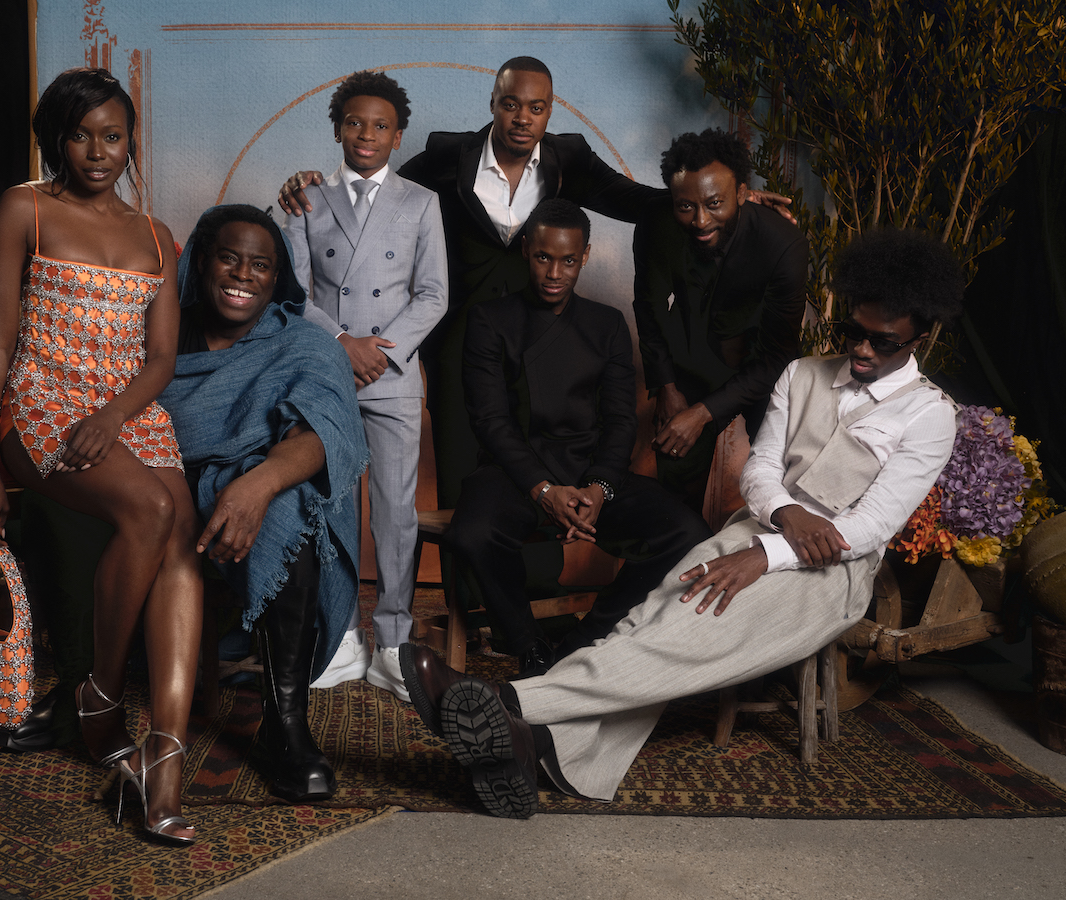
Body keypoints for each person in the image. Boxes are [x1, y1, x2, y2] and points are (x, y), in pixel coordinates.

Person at [400, 228, 963, 818]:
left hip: (830, 573)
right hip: (756, 528)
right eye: (853, 331)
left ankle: (505, 702)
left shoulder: (930, 415)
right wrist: (786, 517)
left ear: (920, 337)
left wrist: (767, 555)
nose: (862, 349)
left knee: (683, 637)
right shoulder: (801, 374)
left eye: (883, 341)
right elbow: (761, 469)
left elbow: (869, 528)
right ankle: (533, 746)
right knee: (646, 621)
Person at [279, 57, 794, 508]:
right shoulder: (445, 156)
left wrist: (731, 198)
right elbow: (378, 188)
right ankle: (462, 584)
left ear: (550, 112)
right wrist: (312, 184)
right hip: (459, 342)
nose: (522, 118)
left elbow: (638, 201)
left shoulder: (569, 159)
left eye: (536, 108)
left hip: (536, 345)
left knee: (524, 477)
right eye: (510, 104)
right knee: (461, 482)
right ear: (493, 104)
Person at [0, 67, 202, 845]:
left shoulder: (156, 236)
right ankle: (100, 699)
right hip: (38, 401)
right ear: (56, 140)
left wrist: (113, 415)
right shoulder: (26, 210)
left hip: (124, 407)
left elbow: (161, 358)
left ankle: (163, 759)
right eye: (80, 135)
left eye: (112, 136)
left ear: (131, 142)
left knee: (180, 536)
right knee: (150, 507)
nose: (97, 152)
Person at [445, 198, 712, 675]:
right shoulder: (489, 320)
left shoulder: (606, 324)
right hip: (516, 474)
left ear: (584, 256)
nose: (555, 273)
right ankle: (529, 647)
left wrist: (600, 488)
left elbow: (621, 420)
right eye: (543, 257)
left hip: (591, 473)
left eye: (568, 261)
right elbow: (490, 420)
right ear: (526, 251)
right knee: (472, 532)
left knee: (688, 532)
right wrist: (543, 489)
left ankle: (584, 642)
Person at [158, 204, 369, 803]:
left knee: (291, 511)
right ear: (202, 262)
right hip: (164, 485)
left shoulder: (304, 343)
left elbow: (325, 433)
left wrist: (256, 485)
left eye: (260, 266)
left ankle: (286, 723)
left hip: (264, 487)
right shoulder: (163, 335)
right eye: (229, 258)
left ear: (278, 278)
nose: (242, 275)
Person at [284, 70, 448, 701]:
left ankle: (395, 645)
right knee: (332, 509)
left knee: (396, 515)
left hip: (393, 375)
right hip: (329, 373)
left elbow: (433, 294)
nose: (367, 134)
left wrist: (380, 352)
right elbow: (292, 293)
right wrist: (342, 344)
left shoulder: (421, 202)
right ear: (337, 129)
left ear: (398, 136)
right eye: (354, 122)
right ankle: (342, 638)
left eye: (381, 125)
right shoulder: (307, 199)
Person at [634, 129, 808, 511]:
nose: (700, 220)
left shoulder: (784, 246)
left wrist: (703, 413)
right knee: (674, 469)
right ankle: (681, 547)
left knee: (785, 477)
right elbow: (648, 305)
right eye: (685, 206)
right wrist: (666, 385)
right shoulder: (655, 221)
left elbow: (777, 355)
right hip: (689, 363)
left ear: (743, 193)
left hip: (761, 369)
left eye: (714, 203)